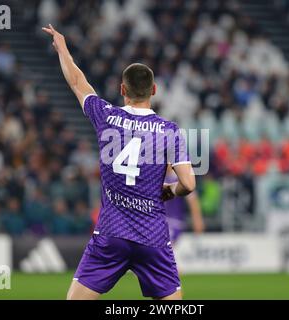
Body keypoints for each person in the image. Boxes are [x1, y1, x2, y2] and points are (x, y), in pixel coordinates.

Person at [43, 24, 195, 300]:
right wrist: (170, 191)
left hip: (111, 233)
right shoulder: (170, 130)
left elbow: (77, 82)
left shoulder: (106, 116)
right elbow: (188, 183)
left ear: (122, 89)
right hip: (153, 236)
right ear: (154, 90)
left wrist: (62, 48)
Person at [164, 165, 204, 244]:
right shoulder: (158, 177)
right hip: (158, 221)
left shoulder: (179, 178)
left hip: (173, 222)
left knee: (165, 250)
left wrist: (197, 220)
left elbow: (192, 200)